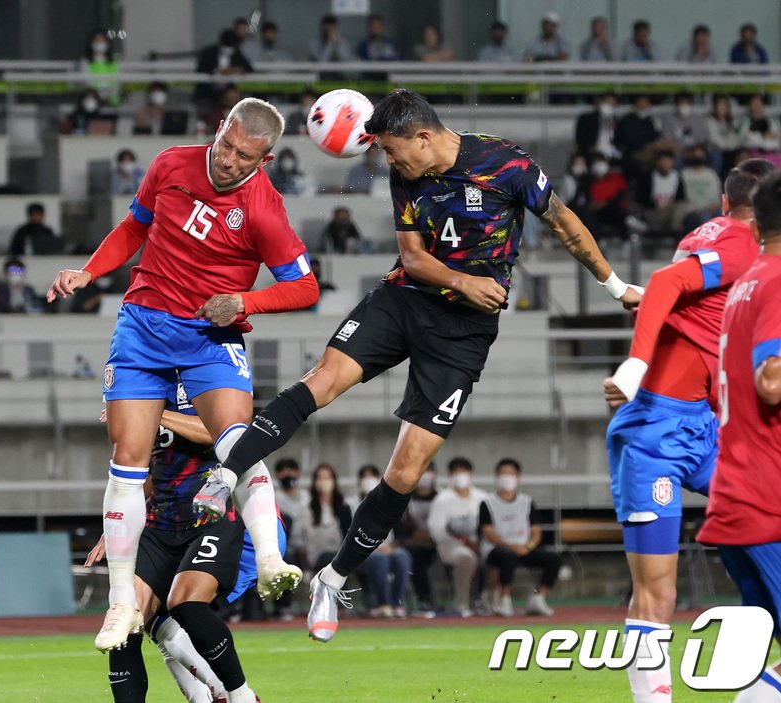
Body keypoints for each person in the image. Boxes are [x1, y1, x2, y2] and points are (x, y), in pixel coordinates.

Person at [202, 89, 640, 643]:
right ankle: (221, 478)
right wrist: (464, 281)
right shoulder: (406, 174)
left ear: (424, 138)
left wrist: (615, 286)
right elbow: (412, 257)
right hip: (405, 298)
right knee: (322, 382)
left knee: (406, 472)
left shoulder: (508, 165)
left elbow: (565, 224)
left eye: (391, 150)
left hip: (463, 334)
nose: (388, 162)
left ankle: (332, 580)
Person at [46, 96, 316, 651]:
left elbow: (305, 287)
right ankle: (121, 601)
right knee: (128, 457)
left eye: (247, 158)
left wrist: (246, 301)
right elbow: (133, 228)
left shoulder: (265, 210)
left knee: (236, 441)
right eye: (228, 147)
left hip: (209, 335)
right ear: (219, 129)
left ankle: (269, 558)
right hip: (143, 323)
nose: (231, 162)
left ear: (264, 160)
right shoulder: (170, 163)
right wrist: (89, 271)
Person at [603, 159, 775, 703]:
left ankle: (759, 678)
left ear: (725, 203)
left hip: (704, 425)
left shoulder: (707, 235)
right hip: (655, 430)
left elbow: (685, 306)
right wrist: (635, 365)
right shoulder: (747, 249)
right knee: (657, 592)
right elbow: (666, 281)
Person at [95, 383, 275, 703]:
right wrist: (116, 524)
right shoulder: (133, 380)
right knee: (126, 618)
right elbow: (138, 465)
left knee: (185, 606)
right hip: (160, 522)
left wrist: (154, 413)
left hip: (211, 514)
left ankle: (237, 694)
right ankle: (207, 694)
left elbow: (226, 434)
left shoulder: (201, 373)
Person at [695, 170, 781, 701]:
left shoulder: (746, 284)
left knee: (757, 659)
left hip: (741, 490)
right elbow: (770, 382)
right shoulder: (776, 281)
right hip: (768, 498)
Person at [479, 458, 559, 617]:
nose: (507, 477)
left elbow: (536, 531)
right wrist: (510, 546)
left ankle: (538, 597)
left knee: (554, 559)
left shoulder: (527, 501)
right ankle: (504, 599)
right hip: (497, 550)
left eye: (511, 474)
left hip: (524, 548)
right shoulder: (487, 503)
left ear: (518, 477)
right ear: (496, 476)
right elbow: (488, 533)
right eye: (503, 474)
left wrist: (528, 546)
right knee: (507, 557)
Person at [426, 458, 486, 617]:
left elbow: (490, 526)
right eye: (456, 473)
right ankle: (462, 602)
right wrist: (465, 542)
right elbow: (437, 531)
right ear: (450, 476)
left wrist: (479, 542)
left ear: (471, 474)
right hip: (451, 546)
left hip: (480, 544)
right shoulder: (442, 500)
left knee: (497, 555)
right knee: (467, 558)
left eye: (463, 472)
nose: (460, 476)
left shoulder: (482, 498)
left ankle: (492, 600)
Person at [350, 465, 413, 618]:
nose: (368, 481)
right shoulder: (350, 504)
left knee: (402, 556)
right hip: (360, 551)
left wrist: (392, 547)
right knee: (380, 559)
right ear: (359, 482)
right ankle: (382, 603)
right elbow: (347, 533)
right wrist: (372, 548)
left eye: (372, 476)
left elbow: (400, 535)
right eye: (364, 477)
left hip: (387, 548)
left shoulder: (390, 503)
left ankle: (397, 603)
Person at [402, 465, 439, 611]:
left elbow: (440, 525)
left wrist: (430, 536)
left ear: (435, 474)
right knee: (415, 556)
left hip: (437, 543)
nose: (425, 475)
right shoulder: (406, 499)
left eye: (428, 471)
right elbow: (404, 525)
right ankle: (423, 598)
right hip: (414, 544)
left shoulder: (441, 498)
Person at [636, 151, 685, 243]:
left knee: (680, 208)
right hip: (653, 213)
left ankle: (676, 234)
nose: (664, 164)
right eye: (662, 161)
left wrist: (671, 205)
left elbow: (681, 198)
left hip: (671, 212)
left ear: (672, 163)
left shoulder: (677, 177)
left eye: (667, 162)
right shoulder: (648, 177)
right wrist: (654, 205)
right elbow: (640, 199)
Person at [576, 93, 621, 162]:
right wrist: (590, 148)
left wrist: (615, 130)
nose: (608, 106)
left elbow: (621, 141)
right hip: (593, 152)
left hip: (612, 153)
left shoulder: (619, 121)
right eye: (606, 102)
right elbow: (580, 138)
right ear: (600, 103)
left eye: (612, 104)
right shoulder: (586, 118)